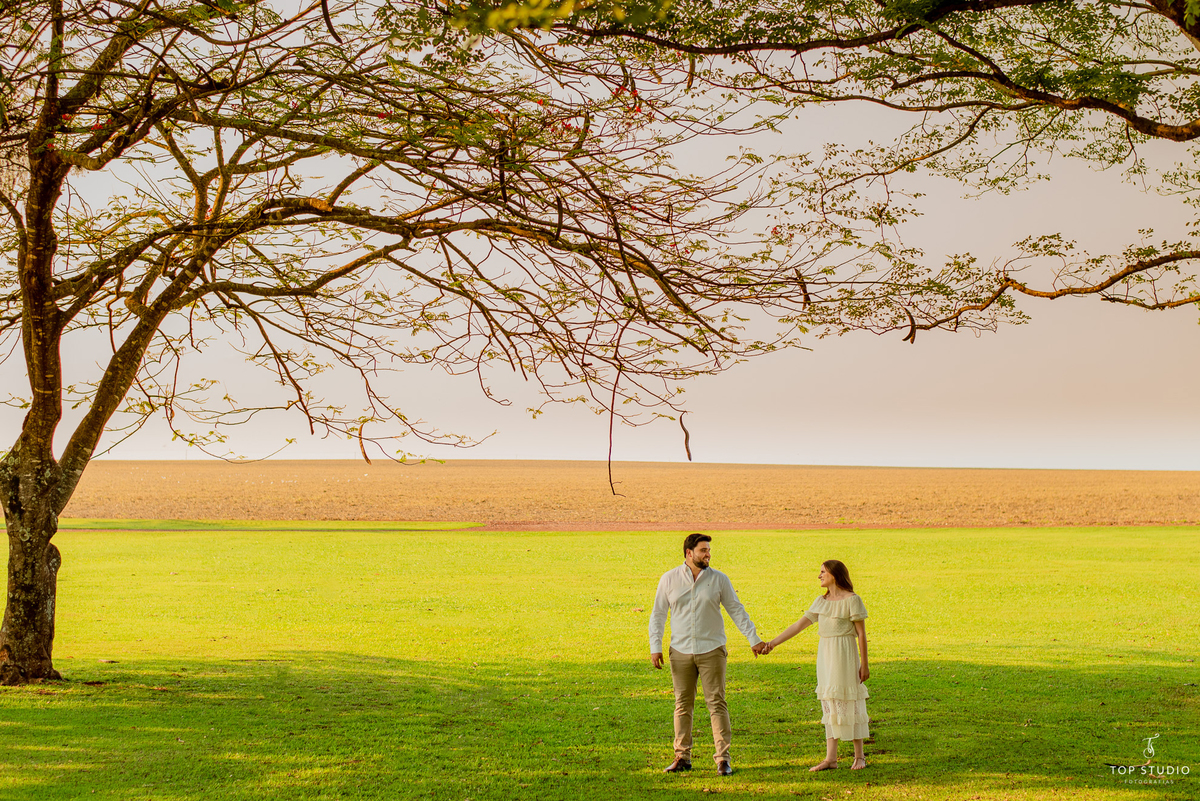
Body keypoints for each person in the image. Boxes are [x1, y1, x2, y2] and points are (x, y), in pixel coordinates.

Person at [649, 533, 767, 776]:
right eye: (703, 550)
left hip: (712, 650)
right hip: (680, 651)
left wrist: (753, 639)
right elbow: (658, 614)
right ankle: (682, 757)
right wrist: (655, 646)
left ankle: (723, 759)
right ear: (689, 553)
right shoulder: (669, 579)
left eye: (709, 550)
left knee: (717, 703)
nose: (708, 554)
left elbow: (736, 609)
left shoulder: (719, 579)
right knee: (682, 705)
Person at [762, 559, 870, 771]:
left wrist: (864, 664)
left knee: (851, 701)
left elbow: (861, 634)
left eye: (822, 572)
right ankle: (831, 759)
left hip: (845, 655)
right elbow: (798, 626)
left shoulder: (852, 600)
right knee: (829, 702)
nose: (819, 576)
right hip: (826, 656)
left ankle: (859, 757)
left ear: (834, 574)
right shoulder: (820, 602)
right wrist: (772, 644)